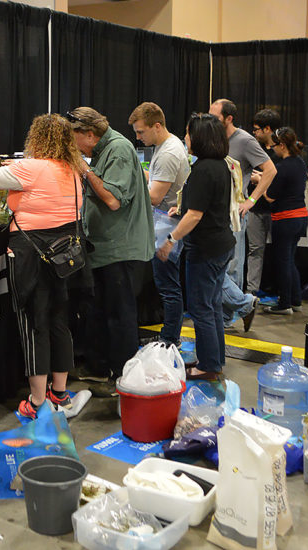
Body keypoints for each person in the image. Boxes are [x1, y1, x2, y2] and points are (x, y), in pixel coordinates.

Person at [0, 114, 89, 420]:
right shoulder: (74, 170)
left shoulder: (32, 167)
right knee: (59, 321)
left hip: (31, 255)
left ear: (36, 138)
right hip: (65, 256)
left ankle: (38, 401)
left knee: (33, 323)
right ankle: (59, 393)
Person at [67, 106, 155, 397]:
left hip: (122, 249)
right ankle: (103, 366)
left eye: (74, 139)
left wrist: (84, 170)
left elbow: (113, 200)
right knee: (103, 311)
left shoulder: (117, 150)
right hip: (106, 248)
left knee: (120, 316)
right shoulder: (103, 150)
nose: (72, 146)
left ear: (90, 135)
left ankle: (124, 377)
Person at [155, 113, 235, 381]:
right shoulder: (218, 165)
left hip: (206, 249)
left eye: (188, 134)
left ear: (199, 137)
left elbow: (196, 216)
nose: (185, 138)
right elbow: (202, 206)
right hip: (220, 244)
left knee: (201, 308)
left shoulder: (203, 169)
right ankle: (213, 360)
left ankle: (208, 366)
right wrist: (183, 208)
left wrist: (170, 240)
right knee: (211, 306)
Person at [208, 99, 273, 331]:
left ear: (229, 118)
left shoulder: (245, 141)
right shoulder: (214, 138)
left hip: (235, 213)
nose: (211, 121)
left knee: (232, 266)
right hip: (215, 213)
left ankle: (230, 316)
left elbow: (270, 170)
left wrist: (251, 200)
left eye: (215, 117)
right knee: (218, 266)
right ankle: (239, 307)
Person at [129, 102, 190, 348]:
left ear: (156, 126)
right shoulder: (169, 146)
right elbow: (155, 182)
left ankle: (169, 338)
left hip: (167, 225)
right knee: (168, 285)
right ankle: (170, 335)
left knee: (168, 287)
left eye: (141, 132)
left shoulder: (167, 153)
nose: (138, 137)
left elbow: (154, 197)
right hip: (167, 222)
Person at [262, 127, 308, 315]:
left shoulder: (282, 167)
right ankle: (295, 300)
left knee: (283, 262)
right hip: (300, 217)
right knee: (290, 260)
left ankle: (285, 303)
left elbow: (270, 197)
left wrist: (261, 182)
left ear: (282, 145)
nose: (272, 150)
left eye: (273, 146)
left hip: (286, 219)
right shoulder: (299, 163)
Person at [247, 108, 282, 294]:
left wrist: (262, 179)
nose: (254, 133)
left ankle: (281, 291)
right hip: (255, 209)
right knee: (255, 250)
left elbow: (285, 179)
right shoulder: (253, 148)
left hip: (278, 210)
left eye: (257, 129)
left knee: (281, 253)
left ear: (267, 128)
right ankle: (251, 291)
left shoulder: (282, 150)